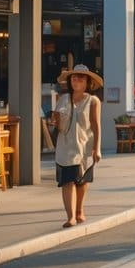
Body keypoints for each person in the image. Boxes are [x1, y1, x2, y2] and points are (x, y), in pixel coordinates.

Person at [51, 64, 103, 228]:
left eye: (81, 78)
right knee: (67, 181)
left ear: (88, 82)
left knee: (81, 181)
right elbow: (57, 122)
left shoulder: (92, 101)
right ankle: (71, 216)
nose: (77, 81)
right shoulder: (63, 99)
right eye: (74, 78)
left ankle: (79, 210)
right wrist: (54, 121)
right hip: (65, 146)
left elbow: (95, 125)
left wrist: (97, 147)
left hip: (85, 146)